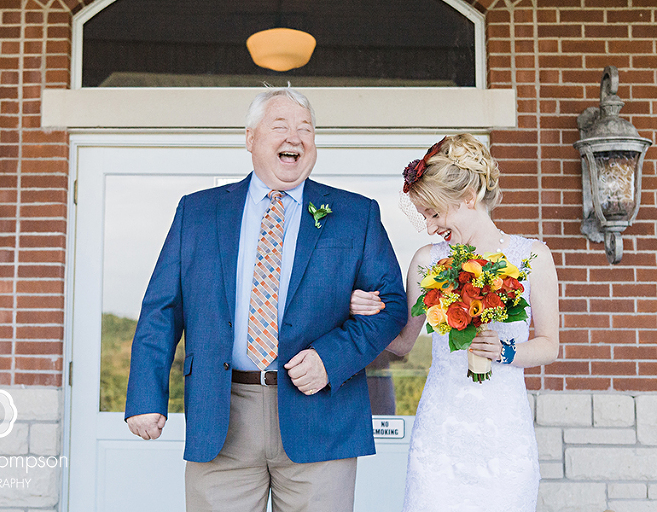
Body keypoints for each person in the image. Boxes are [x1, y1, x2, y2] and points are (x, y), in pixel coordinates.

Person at [125, 87, 408, 512]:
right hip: (222, 416)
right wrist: (146, 397)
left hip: (321, 416)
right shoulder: (197, 212)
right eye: (280, 127)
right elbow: (161, 311)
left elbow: (392, 307)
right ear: (250, 138)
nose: (295, 137)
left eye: (305, 129)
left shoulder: (356, 214)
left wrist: (329, 359)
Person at [350, 133, 559, 511]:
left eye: (435, 214)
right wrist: (363, 313)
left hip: (503, 434)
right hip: (441, 435)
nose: (429, 227)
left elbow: (549, 344)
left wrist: (506, 351)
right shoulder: (427, 260)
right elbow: (403, 343)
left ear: (469, 197)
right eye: (424, 216)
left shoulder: (533, 257)